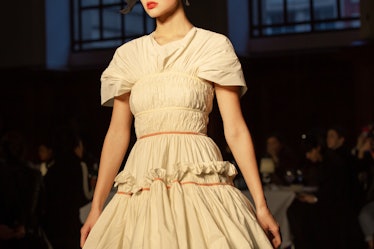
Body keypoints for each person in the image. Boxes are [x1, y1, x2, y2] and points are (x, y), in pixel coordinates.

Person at [80, 0, 281, 248]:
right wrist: (97, 206)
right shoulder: (128, 55)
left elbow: (235, 129)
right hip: (144, 176)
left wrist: (261, 206)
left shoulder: (213, 46)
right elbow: (117, 133)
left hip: (198, 172)